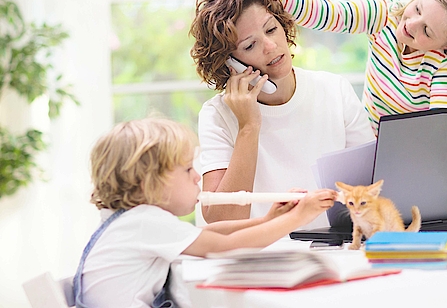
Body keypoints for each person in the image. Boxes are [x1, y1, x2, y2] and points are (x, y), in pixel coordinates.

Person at [73, 117, 337, 307]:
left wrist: (268, 220)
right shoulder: (144, 221)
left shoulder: (132, 222)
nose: (197, 176)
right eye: (187, 169)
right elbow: (223, 246)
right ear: (151, 183)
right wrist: (297, 218)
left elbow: (205, 234)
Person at [189, 0, 375, 229]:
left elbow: (374, 189)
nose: (270, 46)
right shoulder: (217, 115)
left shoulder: (334, 90)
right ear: (229, 64)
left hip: (334, 250)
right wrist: (248, 126)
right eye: (249, 45)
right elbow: (222, 221)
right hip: (258, 256)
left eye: (270, 29)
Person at [255, 0, 447, 134]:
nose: (411, 24)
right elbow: (328, 14)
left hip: (405, 157)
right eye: (417, 9)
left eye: (427, 31)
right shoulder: (386, 15)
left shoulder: (445, 66)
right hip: (363, 141)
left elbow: (439, 133)